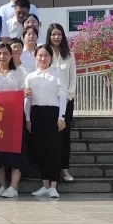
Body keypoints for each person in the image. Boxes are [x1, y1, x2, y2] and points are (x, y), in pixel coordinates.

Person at [0, 43, 28, 199]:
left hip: (15, 118)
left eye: (5, 53)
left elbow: (23, 93)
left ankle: (13, 186)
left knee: (16, 152)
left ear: (11, 56)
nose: (2, 56)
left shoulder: (19, 73)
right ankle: (2, 185)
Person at [26, 45, 68, 199]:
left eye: (46, 56)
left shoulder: (57, 74)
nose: (43, 59)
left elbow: (62, 96)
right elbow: (27, 100)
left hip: (53, 113)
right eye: (40, 55)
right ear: (36, 57)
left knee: (54, 150)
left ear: (51, 58)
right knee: (41, 150)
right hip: (37, 114)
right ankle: (44, 185)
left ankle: (53, 186)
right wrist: (28, 118)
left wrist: (61, 117)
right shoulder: (31, 76)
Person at [48, 23, 78, 183]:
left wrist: (68, 96)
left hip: (66, 101)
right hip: (49, 101)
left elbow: (73, 77)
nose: (56, 37)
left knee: (65, 136)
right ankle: (50, 171)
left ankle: (64, 169)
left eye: (59, 34)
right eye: (53, 34)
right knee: (50, 137)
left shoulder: (69, 54)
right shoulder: (44, 52)